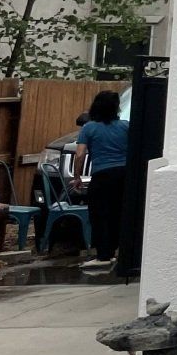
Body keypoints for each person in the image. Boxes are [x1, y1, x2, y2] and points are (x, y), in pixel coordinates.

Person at [72, 89, 129, 270]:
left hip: (102, 175)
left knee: (99, 215)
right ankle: (116, 251)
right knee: (118, 213)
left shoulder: (89, 128)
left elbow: (80, 154)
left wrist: (77, 176)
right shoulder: (125, 126)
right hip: (123, 174)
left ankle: (103, 255)